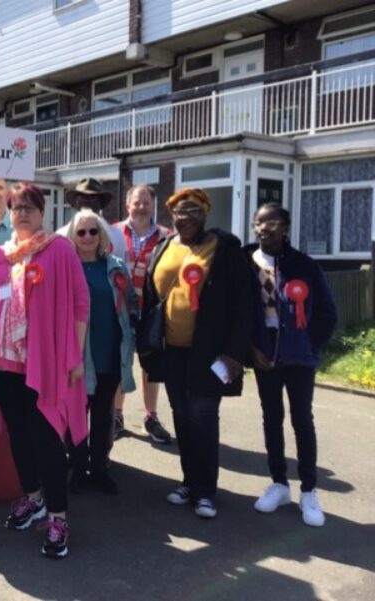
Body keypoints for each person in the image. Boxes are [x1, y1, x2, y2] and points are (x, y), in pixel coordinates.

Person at [0, 182, 88, 559]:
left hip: (45, 363)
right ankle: (33, 497)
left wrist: (76, 355)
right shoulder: (0, 256)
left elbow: (80, 303)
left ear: (42, 212)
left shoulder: (59, 250)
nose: (23, 213)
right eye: (17, 207)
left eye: (30, 207)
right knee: (18, 435)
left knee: (47, 438)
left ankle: (57, 516)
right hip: (6, 364)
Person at [139, 187, 253, 519]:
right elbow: (150, 294)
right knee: (181, 416)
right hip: (171, 350)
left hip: (210, 353)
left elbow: (243, 304)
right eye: (179, 212)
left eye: (193, 211)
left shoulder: (225, 248)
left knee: (204, 417)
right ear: (171, 216)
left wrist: (234, 353)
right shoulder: (163, 246)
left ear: (205, 214)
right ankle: (189, 481)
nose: (185, 217)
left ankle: (206, 491)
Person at [245, 203, 337, 527]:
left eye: (271, 222)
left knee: (302, 419)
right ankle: (279, 484)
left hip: (299, 356)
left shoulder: (304, 265)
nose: (264, 227)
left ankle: (309, 490)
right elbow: (238, 309)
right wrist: (250, 348)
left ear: (284, 226)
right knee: (271, 417)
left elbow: (327, 312)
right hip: (265, 355)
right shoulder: (246, 260)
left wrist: (310, 343)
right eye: (258, 222)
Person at [65, 209, 137, 496]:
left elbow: (129, 303)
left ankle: (99, 468)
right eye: (81, 232)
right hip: (79, 355)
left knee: (104, 414)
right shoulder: (67, 267)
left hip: (109, 351)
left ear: (101, 234)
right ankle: (78, 468)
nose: (87, 237)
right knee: (77, 414)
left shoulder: (116, 266)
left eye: (92, 231)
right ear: (73, 235)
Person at [114, 184, 172, 444]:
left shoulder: (166, 236)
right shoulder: (113, 233)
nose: (140, 207)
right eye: (136, 203)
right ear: (128, 205)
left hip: (151, 313)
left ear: (153, 205)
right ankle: (116, 415)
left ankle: (151, 416)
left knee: (151, 366)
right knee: (119, 363)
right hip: (119, 310)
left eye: (145, 203)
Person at [57, 178, 126, 262]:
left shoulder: (117, 236)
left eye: (93, 198)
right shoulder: (61, 236)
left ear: (101, 203)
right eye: (82, 198)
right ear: (75, 203)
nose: (87, 201)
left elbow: (120, 270)